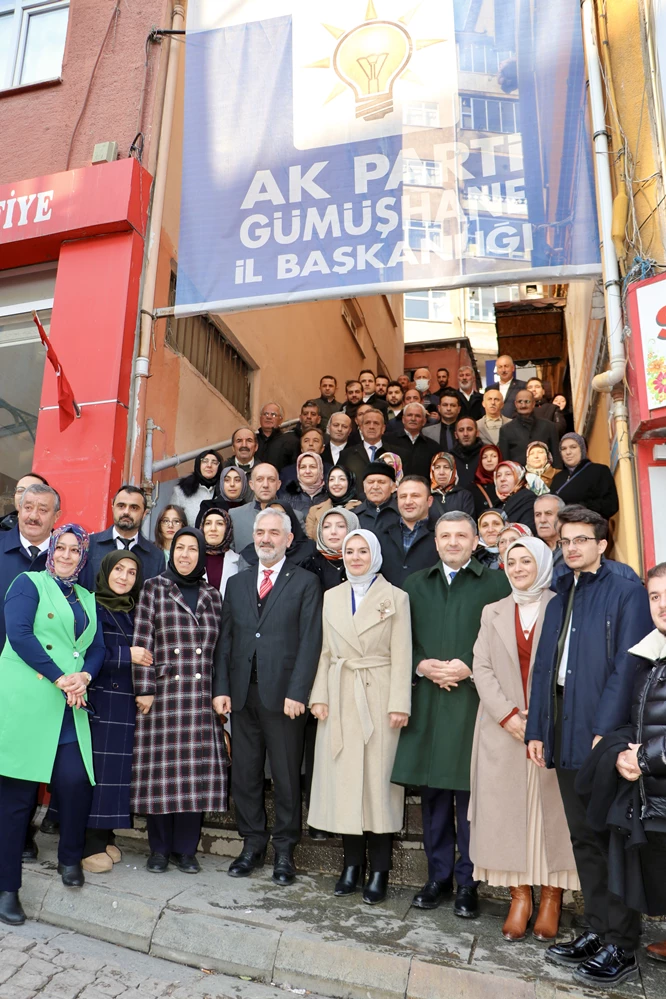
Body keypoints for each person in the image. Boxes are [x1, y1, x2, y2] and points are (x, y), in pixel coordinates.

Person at [526, 506, 653, 987]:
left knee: (612, 841)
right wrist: (538, 729)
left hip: (605, 736)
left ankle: (622, 944)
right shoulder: (558, 596)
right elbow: (544, 669)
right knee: (584, 839)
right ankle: (599, 930)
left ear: (602, 544)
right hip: (563, 731)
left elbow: (628, 666)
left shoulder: (628, 593)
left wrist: (604, 729)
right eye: (566, 541)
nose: (572, 547)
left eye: (582, 540)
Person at [391, 512, 511, 917]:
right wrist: (421, 665)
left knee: (471, 797)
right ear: (436, 541)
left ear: (476, 540)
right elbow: (400, 641)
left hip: (474, 705)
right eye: (446, 535)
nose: (454, 542)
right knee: (434, 797)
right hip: (429, 701)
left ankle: (468, 882)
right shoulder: (414, 585)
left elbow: (504, 643)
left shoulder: (496, 583)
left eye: (462, 535)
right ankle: (437, 877)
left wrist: (469, 667)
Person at [470, 538, 578, 942]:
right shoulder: (492, 611)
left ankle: (552, 897)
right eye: (510, 562)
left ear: (543, 564)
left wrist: (542, 719)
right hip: (502, 729)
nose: (517, 568)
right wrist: (508, 715)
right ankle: (520, 897)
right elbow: (481, 667)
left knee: (553, 815)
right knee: (508, 815)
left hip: (555, 727)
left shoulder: (564, 605)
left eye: (525, 561)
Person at [0, 524, 105, 924]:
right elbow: (20, 636)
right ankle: (7, 888)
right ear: (51, 551)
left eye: (74, 550)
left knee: (76, 783)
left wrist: (85, 677)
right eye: (59, 548)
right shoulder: (28, 583)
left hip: (68, 707)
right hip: (29, 703)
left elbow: (97, 647)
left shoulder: (87, 598)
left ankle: (70, 858)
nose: (65, 555)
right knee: (17, 801)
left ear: (83, 557)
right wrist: (63, 676)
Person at [214, 509, 323, 886]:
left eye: (273, 533)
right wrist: (222, 688)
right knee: (245, 774)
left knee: (286, 777)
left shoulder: (306, 582)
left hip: (285, 699)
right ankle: (252, 844)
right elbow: (226, 640)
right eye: (260, 532)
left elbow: (311, 642)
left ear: (288, 539)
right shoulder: (239, 583)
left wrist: (299, 692)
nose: (265, 539)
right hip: (243, 696)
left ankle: (284, 851)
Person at [309, 529, 412, 904]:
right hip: (339, 695)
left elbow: (403, 653)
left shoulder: (395, 598)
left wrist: (399, 702)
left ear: (375, 554)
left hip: (380, 695)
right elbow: (324, 652)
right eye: (349, 551)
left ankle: (380, 870)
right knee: (347, 784)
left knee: (379, 787)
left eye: (362, 550)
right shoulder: (331, 596)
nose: (355, 557)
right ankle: (351, 865)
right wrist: (319, 695)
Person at [131, 528, 229, 874]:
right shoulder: (154, 588)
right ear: (171, 553)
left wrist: (221, 691)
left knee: (194, 775)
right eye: (180, 548)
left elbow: (221, 651)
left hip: (199, 698)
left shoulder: (212, 595)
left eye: (193, 549)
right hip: (162, 696)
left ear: (202, 555)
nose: (186, 555)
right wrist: (144, 688)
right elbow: (142, 641)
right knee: (161, 775)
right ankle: (158, 849)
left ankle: (185, 850)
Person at [81, 550, 147, 874]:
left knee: (116, 776)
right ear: (106, 570)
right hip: (99, 701)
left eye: (131, 572)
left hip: (124, 704)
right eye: (118, 569)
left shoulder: (134, 611)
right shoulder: (91, 606)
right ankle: (88, 844)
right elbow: (84, 655)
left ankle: (106, 836)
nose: (123, 577)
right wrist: (127, 654)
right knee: (98, 774)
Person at [615, 563, 666, 965]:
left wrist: (642, 760)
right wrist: (625, 753)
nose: (662, 605)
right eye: (655, 596)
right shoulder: (651, 652)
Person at [0, 483, 59, 653]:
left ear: (56, 516)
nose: (33, 516)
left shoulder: (69, 559)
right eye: (28, 507)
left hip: (48, 669)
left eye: (43, 510)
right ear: (19, 509)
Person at [82, 486, 168, 591]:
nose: (126, 512)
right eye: (121, 506)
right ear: (113, 507)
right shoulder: (89, 545)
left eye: (134, 508)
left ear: (144, 513)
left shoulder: (156, 556)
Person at [375, 477, 439, 588]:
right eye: (403, 496)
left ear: (429, 501)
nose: (408, 502)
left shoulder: (441, 534)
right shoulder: (381, 534)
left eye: (415, 496)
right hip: (389, 603)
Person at [550, 433, 619, 520]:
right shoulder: (558, 478)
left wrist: (581, 508)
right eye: (563, 449)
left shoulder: (599, 471)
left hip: (590, 527)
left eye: (573, 447)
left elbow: (611, 505)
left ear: (583, 449)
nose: (568, 452)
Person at [238, 502, 315, 571]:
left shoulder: (309, 549)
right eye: (270, 513)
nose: (266, 540)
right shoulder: (249, 553)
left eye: (281, 514)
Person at [498, 391, 560, 466]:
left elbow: (556, 458)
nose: (523, 405)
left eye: (527, 401)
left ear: (533, 404)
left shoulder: (549, 426)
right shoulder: (506, 430)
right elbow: (505, 462)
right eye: (520, 402)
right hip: (518, 476)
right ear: (515, 404)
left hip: (545, 476)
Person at [340, 410, 402, 484]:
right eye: (367, 423)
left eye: (376, 423)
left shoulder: (398, 454)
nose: (371, 427)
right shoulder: (346, 455)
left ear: (383, 429)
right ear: (361, 428)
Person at [306, 508, 360, 592]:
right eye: (326, 526)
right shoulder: (310, 564)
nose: (333, 532)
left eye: (341, 526)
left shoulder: (363, 561)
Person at [170, 450, 223, 527]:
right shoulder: (181, 491)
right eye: (205, 461)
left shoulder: (225, 490)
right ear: (198, 464)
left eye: (214, 462)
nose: (209, 465)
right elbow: (172, 521)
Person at [305, 467, 361, 540]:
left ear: (350, 482)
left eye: (342, 479)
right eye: (332, 479)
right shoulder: (314, 510)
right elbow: (310, 542)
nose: (336, 483)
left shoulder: (361, 508)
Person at [197, 506, 240, 596]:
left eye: (220, 524)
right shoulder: (192, 559)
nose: (213, 528)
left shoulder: (239, 561)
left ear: (228, 529)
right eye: (208, 523)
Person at [388, 403, 438, 478]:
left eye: (417, 416)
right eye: (409, 415)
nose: (413, 419)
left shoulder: (433, 446)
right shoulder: (388, 441)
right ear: (403, 419)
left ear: (424, 421)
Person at [494, 462, 537, 533]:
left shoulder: (527, 498)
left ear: (519, 477)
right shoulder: (498, 504)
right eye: (498, 475)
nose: (502, 479)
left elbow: (529, 530)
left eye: (508, 474)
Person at [354, 462, 399, 529]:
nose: (375, 487)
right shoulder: (353, 515)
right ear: (364, 487)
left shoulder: (402, 514)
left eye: (381, 482)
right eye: (370, 482)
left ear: (393, 487)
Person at [429, 453, 475, 517]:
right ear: (432, 471)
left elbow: (468, 523)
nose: (441, 472)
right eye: (437, 467)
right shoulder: (426, 495)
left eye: (446, 467)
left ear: (453, 471)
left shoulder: (464, 496)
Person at [255, 402, 293, 471]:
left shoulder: (289, 442)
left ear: (281, 420)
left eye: (273, 415)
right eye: (265, 414)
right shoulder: (252, 440)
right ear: (260, 418)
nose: (268, 417)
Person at [533, 494, 565, 570]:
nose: (542, 520)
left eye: (548, 513)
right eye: (538, 515)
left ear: (562, 517)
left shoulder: (574, 547)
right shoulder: (530, 548)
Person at [471, 444, 502, 517]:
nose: (489, 460)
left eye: (493, 456)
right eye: (484, 457)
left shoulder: (507, 483)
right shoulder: (473, 488)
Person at [452, 417, 483, 489]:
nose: (465, 434)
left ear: (477, 433)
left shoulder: (486, 455)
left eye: (469, 429)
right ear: (456, 435)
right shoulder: (449, 458)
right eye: (461, 430)